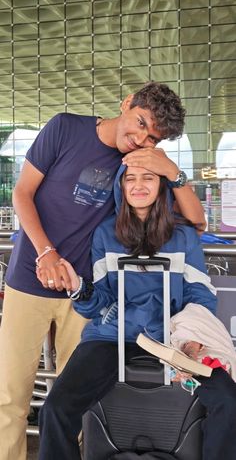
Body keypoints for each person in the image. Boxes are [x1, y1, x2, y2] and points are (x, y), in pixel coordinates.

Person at [0, 81, 206, 460]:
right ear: (127, 103)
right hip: (30, 280)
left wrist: (172, 171)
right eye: (141, 121)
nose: (140, 137)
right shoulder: (64, 128)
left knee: (71, 399)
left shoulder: (135, 163)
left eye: (152, 136)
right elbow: (22, 192)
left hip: (84, 294)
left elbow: (196, 222)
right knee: (10, 396)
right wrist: (45, 252)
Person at [38, 164, 236, 460]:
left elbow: (199, 294)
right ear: (121, 186)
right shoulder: (105, 233)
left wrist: (191, 342)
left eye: (148, 178)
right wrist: (80, 288)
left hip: (170, 338)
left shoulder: (184, 235)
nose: (138, 185)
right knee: (56, 408)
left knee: (227, 401)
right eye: (130, 179)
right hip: (112, 335)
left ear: (161, 186)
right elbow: (101, 297)